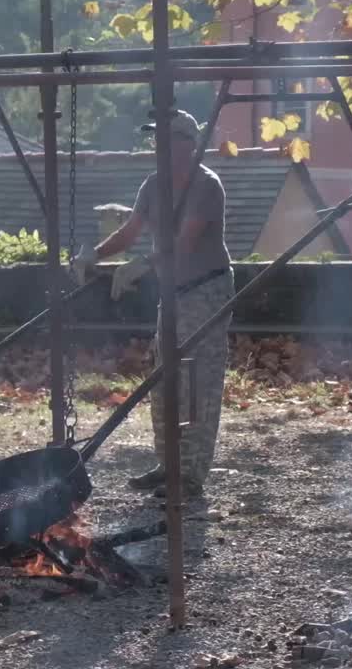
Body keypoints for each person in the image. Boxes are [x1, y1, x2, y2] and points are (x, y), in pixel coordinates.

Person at [70, 109, 232, 499]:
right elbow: (130, 233)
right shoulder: (153, 184)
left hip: (205, 290)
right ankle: (168, 465)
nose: (157, 147)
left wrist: (143, 264)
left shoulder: (205, 186)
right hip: (173, 293)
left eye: (165, 139)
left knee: (196, 380)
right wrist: (95, 255)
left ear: (186, 144)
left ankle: (190, 475)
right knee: (164, 379)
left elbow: (183, 242)